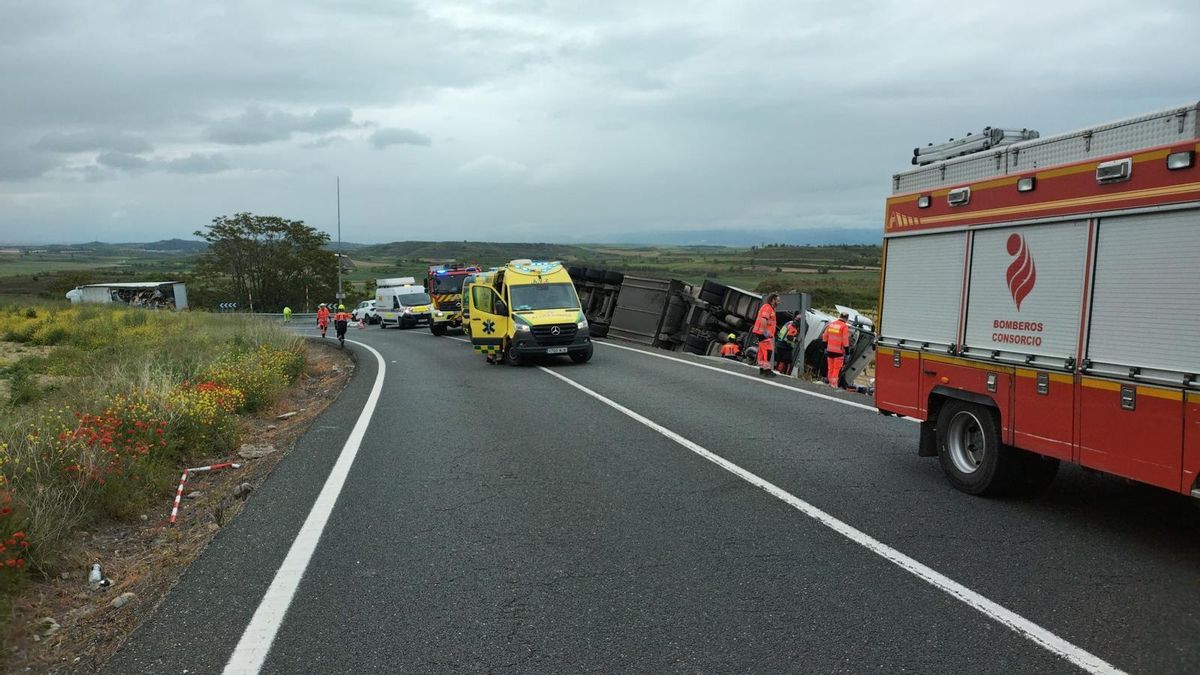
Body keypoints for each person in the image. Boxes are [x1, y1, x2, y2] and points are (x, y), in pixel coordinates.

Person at [822, 311, 852, 388]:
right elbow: (845, 340)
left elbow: (825, 336)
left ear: (839, 316)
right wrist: (847, 351)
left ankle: (829, 382)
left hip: (829, 350)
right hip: (839, 351)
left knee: (830, 367)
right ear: (847, 319)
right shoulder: (844, 327)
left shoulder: (831, 324)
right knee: (836, 368)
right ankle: (833, 384)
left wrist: (825, 347)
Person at [752, 293, 779, 377]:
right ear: (773, 300)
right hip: (763, 333)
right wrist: (765, 331)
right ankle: (767, 370)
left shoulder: (767, 307)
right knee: (768, 351)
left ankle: (762, 369)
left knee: (762, 351)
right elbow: (764, 319)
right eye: (777, 300)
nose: (779, 302)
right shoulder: (768, 308)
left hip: (761, 332)